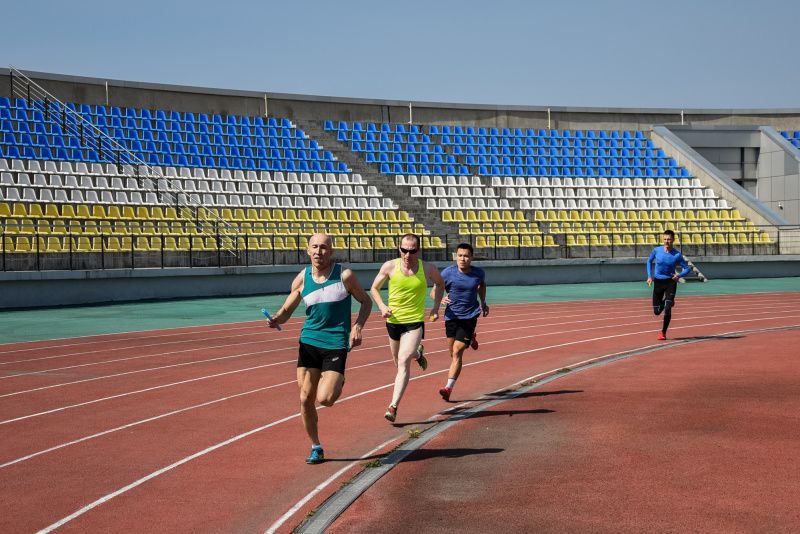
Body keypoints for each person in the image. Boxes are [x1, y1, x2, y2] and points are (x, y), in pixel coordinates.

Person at [266, 233, 372, 464]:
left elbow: (366, 301)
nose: (318, 252)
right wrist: (276, 319)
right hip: (309, 342)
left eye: (323, 247)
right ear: (307, 250)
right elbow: (287, 309)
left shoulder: (345, 275)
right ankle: (316, 446)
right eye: (314, 247)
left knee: (325, 399)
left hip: (335, 344)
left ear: (331, 251)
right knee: (305, 399)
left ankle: (338, 379)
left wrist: (357, 327)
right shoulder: (303, 278)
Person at [370, 233, 444, 422]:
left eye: (412, 251)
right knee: (398, 363)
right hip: (393, 322)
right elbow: (374, 289)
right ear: (399, 249)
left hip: (414, 322)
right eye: (404, 250)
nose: (407, 254)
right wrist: (381, 306)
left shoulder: (428, 268)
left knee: (403, 362)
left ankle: (393, 406)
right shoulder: (389, 266)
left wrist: (436, 307)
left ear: (418, 251)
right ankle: (418, 354)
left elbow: (440, 283)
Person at [431, 243, 488, 402]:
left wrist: (483, 302)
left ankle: (448, 388)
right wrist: (440, 298)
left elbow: (482, 286)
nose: (462, 259)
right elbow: (434, 290)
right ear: (456, 256)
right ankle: (471, 338)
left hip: (470, 316)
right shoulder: (447, 273)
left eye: (466, 256)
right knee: (452, 354)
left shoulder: (478, 273)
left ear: (472, 257)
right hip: (451, 316)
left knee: (457, 352)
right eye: (460, 255)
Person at [646, 229, 690, 340]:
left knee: (667, 309)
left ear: (673, 240)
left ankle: (663, 333)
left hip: (670, 282)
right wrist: (649, 276)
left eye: (669, 239)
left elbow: (687, 268)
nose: (667, 241)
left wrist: (678, 276)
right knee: (656, 312)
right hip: (658, 282)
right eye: (665, 239)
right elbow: (649, 261)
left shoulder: (677, 255)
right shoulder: (657, 250)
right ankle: (668, 300)